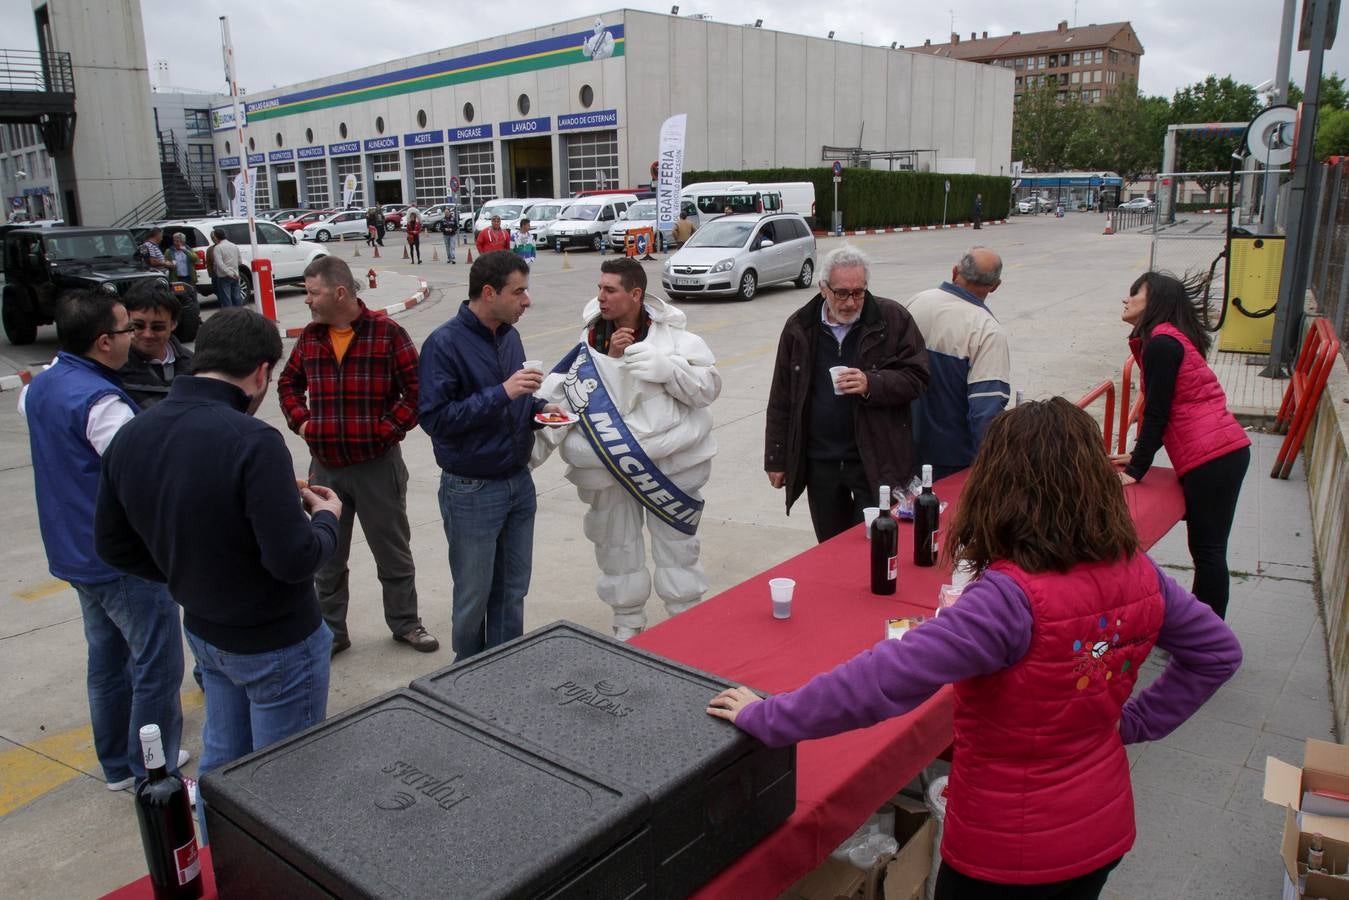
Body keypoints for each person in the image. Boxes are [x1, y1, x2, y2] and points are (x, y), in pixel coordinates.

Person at [710, 398, 1243, 900]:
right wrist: (1130, 721)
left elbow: (881, 680)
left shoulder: (1010, 600)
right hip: (1102, 832)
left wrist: (770, 716)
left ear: (1000, 487)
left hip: (1005, 851)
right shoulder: (1142, 571)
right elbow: (1216, 653)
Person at [94, 308, 342, 796]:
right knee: (285, 780)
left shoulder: (134, 432)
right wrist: (327, 521)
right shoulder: (252, 440)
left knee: (224, 764)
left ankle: (216, 863)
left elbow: (113, 546)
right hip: (277, 641)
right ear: (261, 373)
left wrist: (190, 572)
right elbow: (292, 560)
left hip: (207, 632)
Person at [21, 290, 186, 792]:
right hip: (123, 560)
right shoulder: (104, 404)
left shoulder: (40, 387)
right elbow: (145, 476)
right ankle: (151, 767)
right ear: (102, 342)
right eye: (125, 330)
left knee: (107, 660)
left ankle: (116, 763)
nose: (134, 337)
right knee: (157, 662)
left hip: (72, 553)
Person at [537, 257, 721, 640]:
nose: (600, 297)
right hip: (608, 468)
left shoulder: (678, 341)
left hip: (670, 468)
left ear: (635, 295)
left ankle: (686, 624)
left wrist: (668, 369)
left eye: (610, 290)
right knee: (616, 546)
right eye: (599, 289)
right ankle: (628, 624)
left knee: (678, 549)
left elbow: (708, 390)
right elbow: (560, 403)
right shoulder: (587, 346)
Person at [278, 256, 436, 656]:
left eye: (313, 293)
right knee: (327, 557)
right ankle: (332, 632)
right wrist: (303, 424)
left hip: (377, 468)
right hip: (326, 470)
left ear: (340, 292)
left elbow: (417, 391)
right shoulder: (311, 338)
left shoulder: (387, 333)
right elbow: (287, 384)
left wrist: (387, 429)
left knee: (393, 552)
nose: (309, 302)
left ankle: (405, 623)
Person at [418, 251, 560, 660]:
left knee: (512, 590)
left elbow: (515, 402)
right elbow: (436, 419)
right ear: (488, 292)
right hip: (472, 489)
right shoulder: (444, 344)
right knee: (473, 595)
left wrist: (538, 411)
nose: (526, 300)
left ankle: (504, 671)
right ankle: (466, 676)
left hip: (518, 480)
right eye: (519, 292)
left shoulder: (509, 336)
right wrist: (503, 393)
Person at [764, 244, 929, 542]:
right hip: (821, 462)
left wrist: (872, 383)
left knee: (873, 543)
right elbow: (782, 398)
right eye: (841, 293)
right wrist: (776, 459)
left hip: (875, 461)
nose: (851, 302)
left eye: (859, 292)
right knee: (830, 545)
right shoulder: (800, 327)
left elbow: (918, 377)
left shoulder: (893, 319)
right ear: (823, 288)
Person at [1111, 271, 1251, 620]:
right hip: (1219, 452)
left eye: (1134, 292)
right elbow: (1165, 409)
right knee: (1207, 550)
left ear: (1154, 300)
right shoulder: (1166, 339)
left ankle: (1207, 638)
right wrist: (1137, 453)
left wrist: (1136, 469)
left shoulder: (1162, 343)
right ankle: (1202, 629)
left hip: (1215, 455)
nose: (1126, 300)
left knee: (1208, 552)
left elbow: (1159, 411)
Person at [901, 247, 1010, 479]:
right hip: (953, 463)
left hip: (905, 449)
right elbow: (985, 411)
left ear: (954, 272)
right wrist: (990, 471)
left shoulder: (916, 302)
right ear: (995, 286)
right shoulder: (987, 331)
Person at [119, 279, 193, 409]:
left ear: (173, 324)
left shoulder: (193, 365)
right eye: (138, 326)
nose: (147, 334)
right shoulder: (115, 368)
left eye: (157, 327)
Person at [211, 228, 243, 308]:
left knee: (226, 299)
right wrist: (234, 271)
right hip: (235, 275)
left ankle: (230, 317)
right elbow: (240, 261)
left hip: (224, 276)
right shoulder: (234, 246)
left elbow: (219, 264)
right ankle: (240, 315)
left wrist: (229, 273)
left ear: (216, 237)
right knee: (237, 298)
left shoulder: (218, 248)